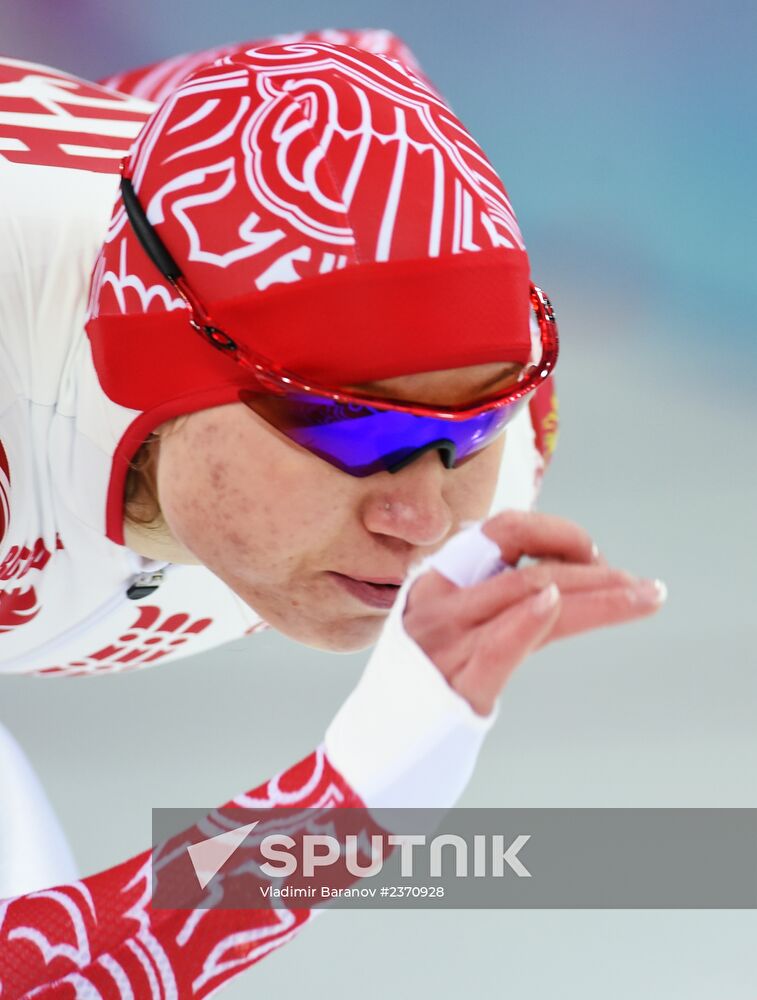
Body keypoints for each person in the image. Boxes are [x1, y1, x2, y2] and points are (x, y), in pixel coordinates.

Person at [0, 28, 666, 997]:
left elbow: (339, 74)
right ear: (153, 369)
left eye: (471, 428)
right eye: (353, 431)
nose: (422, 517)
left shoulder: (513, 454)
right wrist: (340, 813)